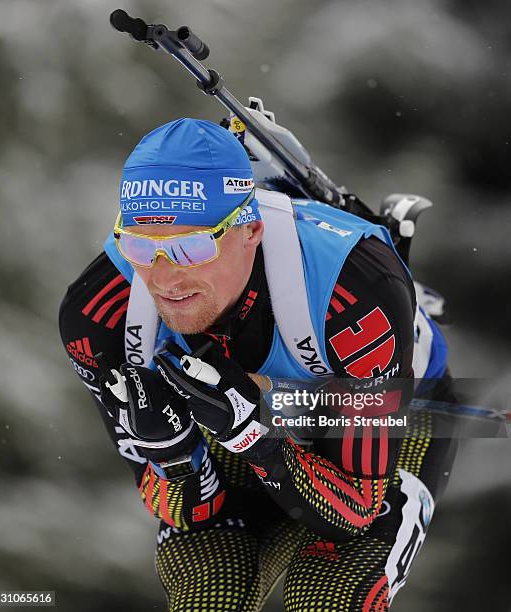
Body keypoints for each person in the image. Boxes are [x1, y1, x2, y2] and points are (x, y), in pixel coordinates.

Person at [59, 118, 459, 611]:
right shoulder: (97, 315)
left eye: (192, 245)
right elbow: (191, 514)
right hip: (234, 432)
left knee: (327, 599)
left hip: (384, 427)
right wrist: (173, 455)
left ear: (251, 229)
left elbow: (354, 512)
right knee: (208, 597)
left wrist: (253, 432)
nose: (165, 277)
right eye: (141, 245)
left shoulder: (356, 287)